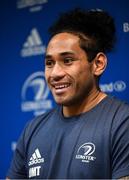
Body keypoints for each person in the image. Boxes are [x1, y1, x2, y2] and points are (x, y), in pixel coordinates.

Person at [7, 8, 129, 179]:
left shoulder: (122, 123)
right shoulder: (32, 130)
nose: (55, 73)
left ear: (98, 64)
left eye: (68, 60)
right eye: (49, 63)